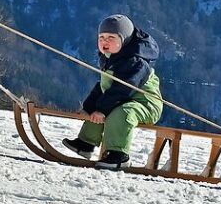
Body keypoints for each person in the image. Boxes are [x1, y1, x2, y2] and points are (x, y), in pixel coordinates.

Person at [62, 14, 164, 170]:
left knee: (120, 113)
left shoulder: (136, 62)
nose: (104, 41)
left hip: (146, 104)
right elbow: (104, 87)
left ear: (124, 40)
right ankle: (86, 143)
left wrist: (102, 110)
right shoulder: (111, 58)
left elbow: (123, 89)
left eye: (111, 37)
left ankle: (119, 155)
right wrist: (88, 108)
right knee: (99, 107)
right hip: (124, 98)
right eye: (101, 37)